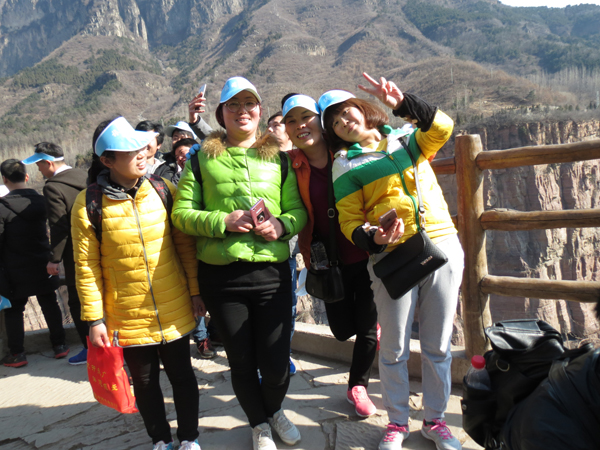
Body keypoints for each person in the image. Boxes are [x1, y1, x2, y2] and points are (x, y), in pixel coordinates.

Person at [320, 73, 463, 450]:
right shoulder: (344, 164)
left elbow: (443, 128)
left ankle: (435, 421)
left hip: (440, 243)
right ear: (333, 133)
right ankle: (397, 423)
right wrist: (373, 238)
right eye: (334, 122)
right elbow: (349, 220)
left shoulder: (406, 138)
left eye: (345, 111)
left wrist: (403, 103)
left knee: (438, 344)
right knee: (394, 346)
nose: (343, 121)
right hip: (392, 255)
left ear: (361, 109)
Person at [172, 76, 307, 450]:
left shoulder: (279, 159)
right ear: (221, 114)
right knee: (242, 361)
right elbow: (181, 215)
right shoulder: (200, 159)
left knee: (276, 364)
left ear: (260, 111)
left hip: (271, 274)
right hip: (222, 277)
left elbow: (297, 211)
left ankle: (273, 409)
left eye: (249, 104)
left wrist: (281, 225)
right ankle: (259, 424)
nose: (242, 111)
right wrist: (222, 221)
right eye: (233, 104)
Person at [71, 116, 203, 450]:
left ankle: (189, 438)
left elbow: (185, 248)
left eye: (141, 147)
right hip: (126, 313)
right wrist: (94, 320)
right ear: (107, 161)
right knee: (144, 383)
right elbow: (86, 267)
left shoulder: (163, 189)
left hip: (173, 305)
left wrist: (195, 292)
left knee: (183, 376)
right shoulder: (88, 204)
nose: (142, 154)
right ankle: (160, 439)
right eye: (130, 151)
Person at [281, 94, 379, 417]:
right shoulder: (291, 164)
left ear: (320, 121)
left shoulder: (348, 152)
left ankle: (357, 386)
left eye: (306, 117)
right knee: (341, 329)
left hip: (366, 253)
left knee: (366, 326)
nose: (300, 126)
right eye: (292, 121)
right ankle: (370, 331)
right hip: (327, 261)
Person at [21, 142, 89, 365]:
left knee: (77, 302)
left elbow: (59, 226)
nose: (38, 169)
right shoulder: (85, 177)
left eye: (39, 165)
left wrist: (55, 259)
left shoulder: (53, 187)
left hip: (75, 253)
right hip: (97, 247)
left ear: (48, 163)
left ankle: (91, 349)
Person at [0, 159, 69, 367]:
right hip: (42, 261)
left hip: (14, 267)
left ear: (4, 179)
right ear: (27, 176)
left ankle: (17, 354)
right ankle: (60, 345)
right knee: (49, 303)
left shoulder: (1, 207)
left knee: (14, 310)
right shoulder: (40, 201)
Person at [266, 110, 298, 376]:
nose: (271, 129)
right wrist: (197, 124)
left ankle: (283, 354)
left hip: (292, 246)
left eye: (277, 125)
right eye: (268, 126)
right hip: (267, 246)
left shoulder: (301, 159)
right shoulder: (262, 159)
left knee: (290, 306)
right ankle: (265, 359)